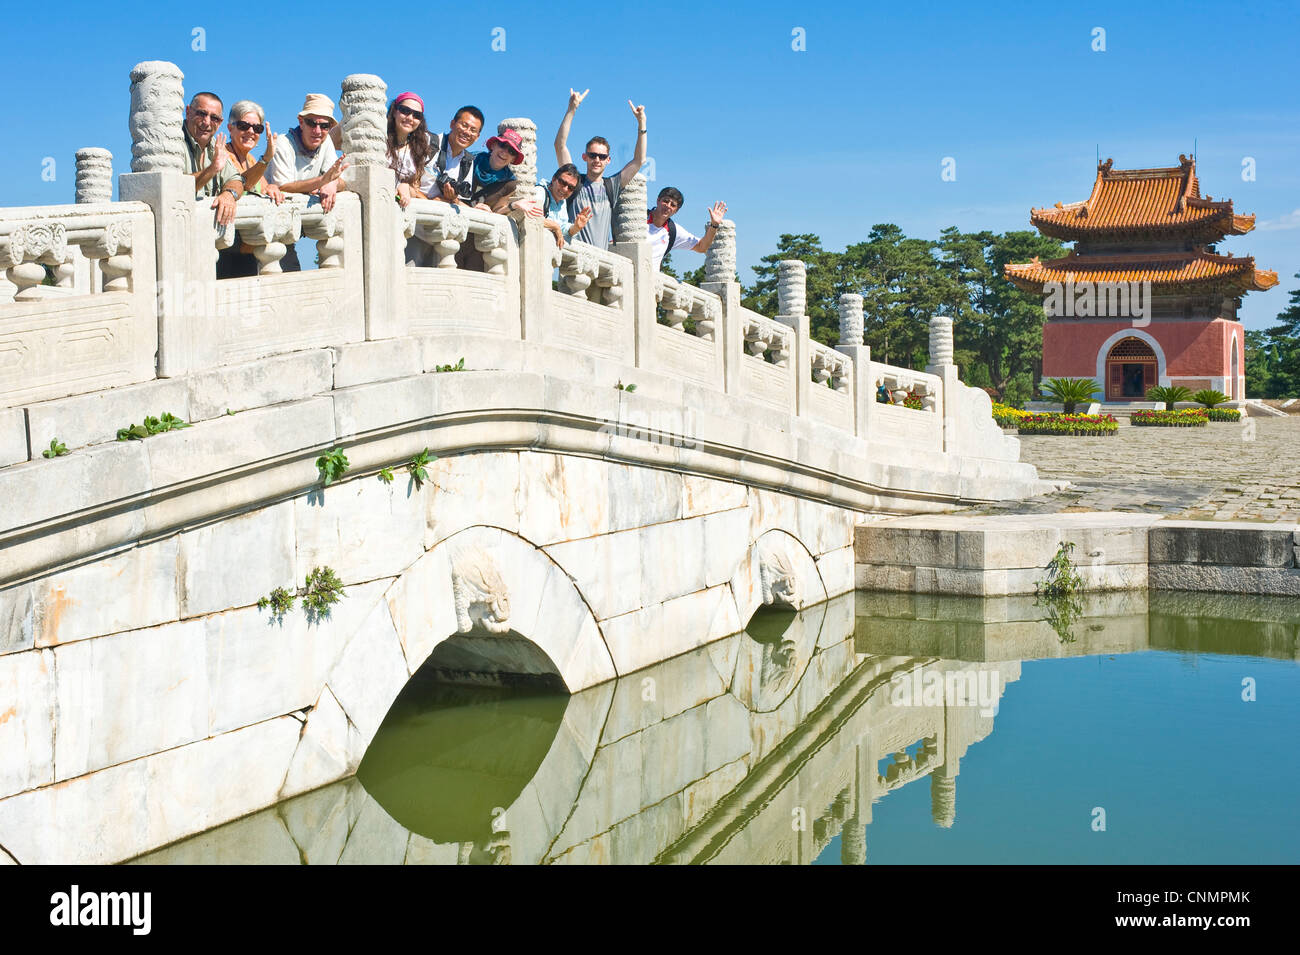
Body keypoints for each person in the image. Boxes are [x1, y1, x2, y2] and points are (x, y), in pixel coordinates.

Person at [553, 90, 647, 249]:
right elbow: (559, 145)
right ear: (585, 157)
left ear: (608, 160)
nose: (597, 160)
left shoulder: (612, 185)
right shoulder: (574, 183)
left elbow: (639, 160)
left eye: (602, 157)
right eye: (593, 155)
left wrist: (641, 124)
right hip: (574, 261)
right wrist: (571, 109)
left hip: (602, 264)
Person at [267, 94, 349, 270]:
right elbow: (283, 186)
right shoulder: (284, 144)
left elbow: (339, 179)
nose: (318, 131)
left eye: (324, 125)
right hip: (274, 227)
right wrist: (322, 181)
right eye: (312, 123)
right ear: (301, 121)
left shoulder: (325, 142)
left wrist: (331, 184)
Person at [217, 100, 281, 278]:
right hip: (227, 250)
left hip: (249, 250)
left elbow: (265, 187)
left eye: (257, 128)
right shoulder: (223, 155)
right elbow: (242, 183)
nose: (251, 132)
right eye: (244, 126)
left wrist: (273, 187)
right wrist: (266, 159)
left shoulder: (251, 160)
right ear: (230, 128)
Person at [182, 91, 245, 228]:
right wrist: (212, 169)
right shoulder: (173, 142)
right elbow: (175, 189)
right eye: (201, 114)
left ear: (220, 122)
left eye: (214, 118)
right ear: (188, 112)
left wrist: (229, 194)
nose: (206, 122)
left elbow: (236, 181)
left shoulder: (215, 144)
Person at [647, 187, 725, 271]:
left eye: (673, 205)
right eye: (665, 201)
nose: (668, 206)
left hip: (650, 280)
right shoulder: (638, 217)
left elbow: (701, 247)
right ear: (658, 200)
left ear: (676, 211)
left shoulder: (673, 230)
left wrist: (714, 225)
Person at [427, 106, 485, 205]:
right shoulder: (429, 142)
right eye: (464, 125)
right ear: (452, 124)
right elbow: (406, 184)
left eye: (473, 130)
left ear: (477, 137)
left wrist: (453, 198)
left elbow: (459, 201)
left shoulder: (467, 161)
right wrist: (429, 201)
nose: (467, 132)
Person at [385, 92, 434, 207]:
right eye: (405, 111)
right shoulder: (379, 140)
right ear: (394, 111)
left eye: (417, 115)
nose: (410, 118)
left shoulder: (418, 150)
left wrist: (405, 186)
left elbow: (415, 189)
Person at [534, 163, 593, 248]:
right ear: (554, 179)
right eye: (562, 182)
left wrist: (575, 227)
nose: (565, 189)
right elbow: (532, 217)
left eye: (571, 188)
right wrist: (555, 227)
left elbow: (563, 228)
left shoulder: (562, 202)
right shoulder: (539, 192)